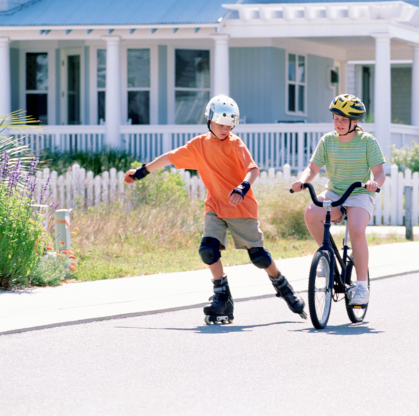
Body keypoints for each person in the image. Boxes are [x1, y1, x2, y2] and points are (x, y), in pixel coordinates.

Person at [124, 94, 306, 324]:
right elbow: (169, 158)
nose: (225, 129)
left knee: (258, 256)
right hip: (215, 206)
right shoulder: (198, 145)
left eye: (230, 125)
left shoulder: (235, 143)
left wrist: (242, 188)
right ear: (209, 120)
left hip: (240, 206)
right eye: (221, 124)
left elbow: (253, 170)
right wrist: (140, 172)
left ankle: (283, 286)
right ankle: (222, 296)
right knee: (207, 249)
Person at [291, 94, 385, 306]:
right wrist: (302, 181)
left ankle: (361, 287)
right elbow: (312, 168)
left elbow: (379, 172)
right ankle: (328, 257)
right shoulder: (328, 140)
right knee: (311, 212)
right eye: (335, 118)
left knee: (357, 228)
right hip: (335, 192)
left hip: (360, 192)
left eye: (343, 119)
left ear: (355, 121)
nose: (338, 123)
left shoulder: (367, 141)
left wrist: (374, 184)